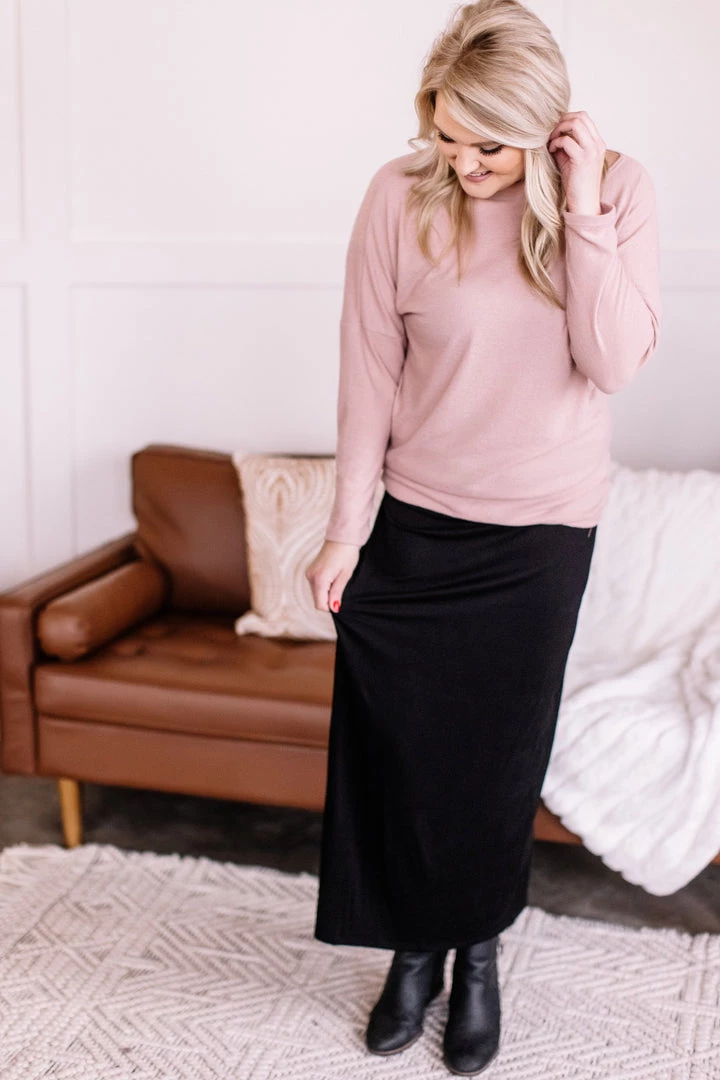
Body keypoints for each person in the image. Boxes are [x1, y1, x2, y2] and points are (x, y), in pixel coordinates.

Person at [305, 0, 661, 1074]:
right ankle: (413, 950)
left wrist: (582, 207)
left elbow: (614, 361)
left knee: (495, 771)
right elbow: (368, 371)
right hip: (418, 525)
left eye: (490, 146)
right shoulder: (397, 195)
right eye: (447, 135)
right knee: (402, 758)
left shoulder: (619, 190)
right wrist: (344, 532)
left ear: (544, 125)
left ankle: (479, 957)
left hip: (539, 539)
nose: (464, 164)